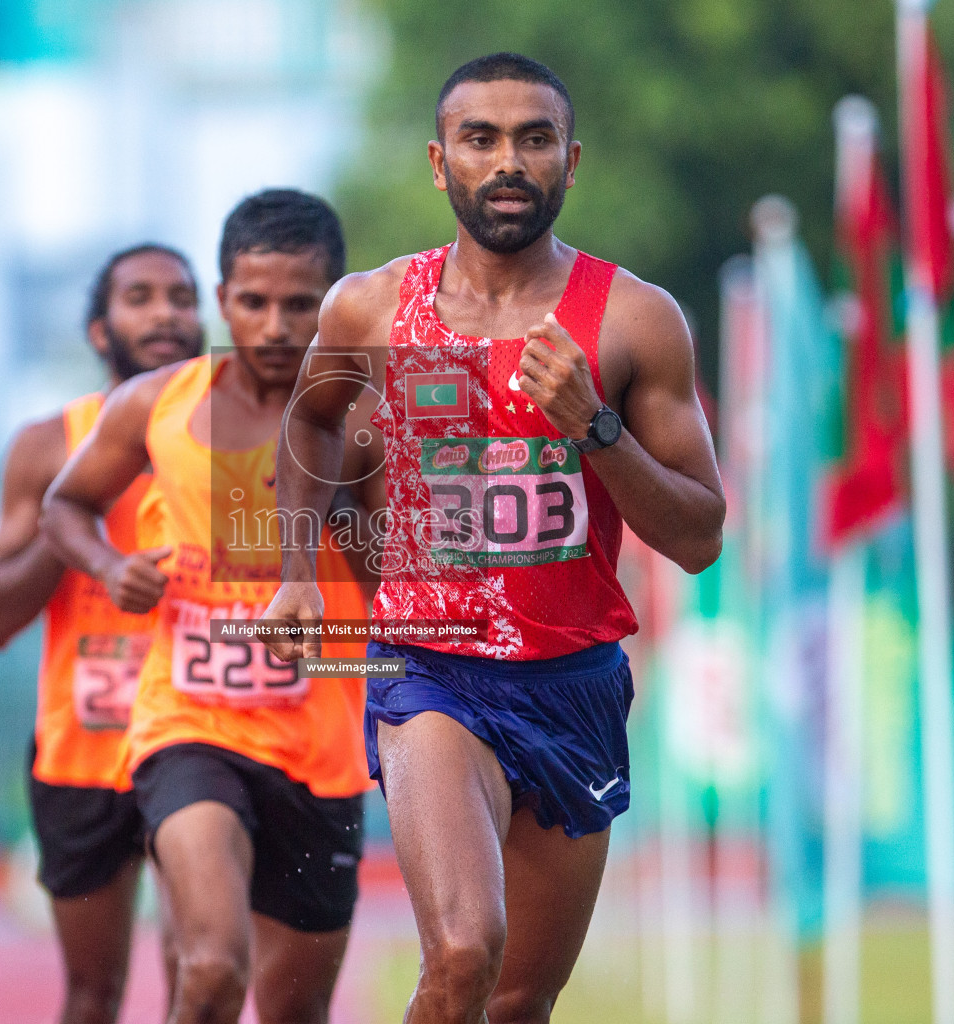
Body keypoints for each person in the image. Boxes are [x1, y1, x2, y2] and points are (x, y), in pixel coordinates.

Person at [263, 53, 726, 1024]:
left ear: (571, 158)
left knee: (518, 1000)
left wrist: (595, 427)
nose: (508, 160)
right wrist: (298, 572)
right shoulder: (371, 306)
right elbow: (309, 423)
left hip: (574, 680)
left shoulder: (636, 320)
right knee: (468, 948)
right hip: (427, 664)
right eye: (481, 139)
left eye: (534, 138)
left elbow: (698, 535)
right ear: (441, 163)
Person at [41, 189, 382, 1024]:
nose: (272, 326)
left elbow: (393, 585)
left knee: (293, 1011)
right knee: (213, 967)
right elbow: (64, 504)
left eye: (300, 305)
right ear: (222, 299)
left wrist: (344, 516)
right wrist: (110, 565)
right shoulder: (158, 402)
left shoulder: (368, 420)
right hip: (189, 725)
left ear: (334, 304)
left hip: (320, 745)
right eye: (252, 303)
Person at [0, 244, 204, 1024]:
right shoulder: (48, 446)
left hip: (203, 737)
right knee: (91, 993)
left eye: (181, 295)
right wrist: (74, 517)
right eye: (140, 296)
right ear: (100, 330)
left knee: (198, 967)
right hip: (83, 751)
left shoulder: (230, 441)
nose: (167, 311)